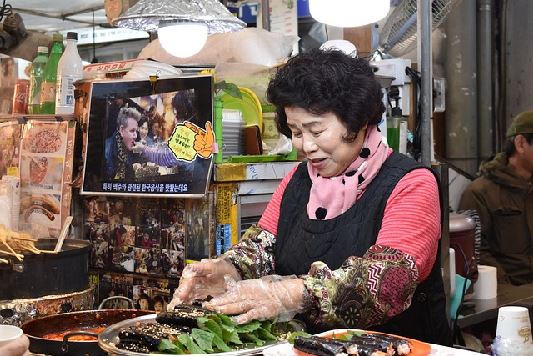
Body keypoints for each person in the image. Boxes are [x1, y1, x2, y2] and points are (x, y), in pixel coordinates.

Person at [169, 48, 451, 345]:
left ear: (356, 121)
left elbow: (384, 285)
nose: (305, 146)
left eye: (316, 130)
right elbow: (261, 249)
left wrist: (287, 294)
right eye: (295, 131)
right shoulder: (299, 180)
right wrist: (227, 271)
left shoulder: (411, 183)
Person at [459, 111, 533, 285]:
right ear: (521, 144)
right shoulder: (479, 193)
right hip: (506, 295)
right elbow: (476, 253)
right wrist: (508, 291)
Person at [104, 107, 141, 180]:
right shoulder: (107, 150)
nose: (136, 136)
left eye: (136, 131)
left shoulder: (128, 147)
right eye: (132, 131)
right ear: (121, 130)